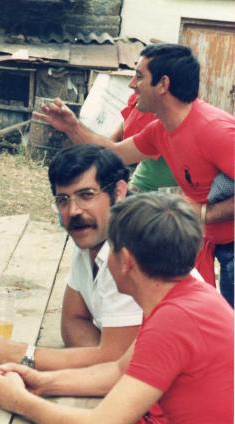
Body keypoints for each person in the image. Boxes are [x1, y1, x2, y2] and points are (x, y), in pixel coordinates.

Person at [0, 192, 233, 424]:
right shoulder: (183, 298)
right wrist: (42, 382)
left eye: (110, 249)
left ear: (126, 261)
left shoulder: (174, 321)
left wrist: (19, 401)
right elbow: (119, 371)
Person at [34, 43, 234, 306]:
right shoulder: (161, 130)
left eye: (139, 76)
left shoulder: (214, 130)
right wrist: (72, 127)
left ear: (163, 84)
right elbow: (115, 154)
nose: (131, 85)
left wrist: (205, 213)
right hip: (209, 239)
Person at [0, 145, 141, 371]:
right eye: (63, 199)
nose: (73, 211)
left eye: (86, 195)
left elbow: (119, 364)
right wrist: (99, 356)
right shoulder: (89, 240)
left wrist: (14, 353)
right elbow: (73, 322)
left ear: (119, 192)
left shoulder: (134, 251)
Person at [111, 93, 177, 193]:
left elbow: (119, 152)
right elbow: (116, 141)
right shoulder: (141, 105)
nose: (132, 85)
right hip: (141, 187)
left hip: (164, 194)